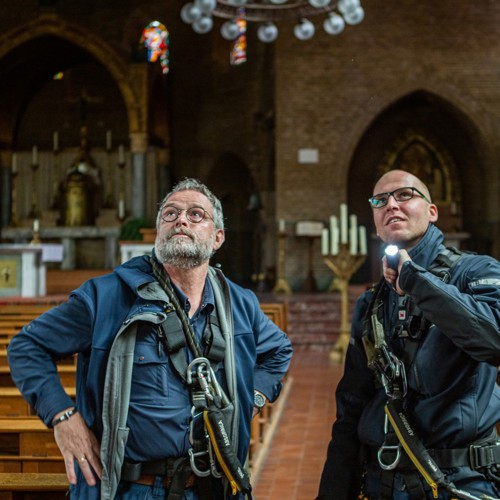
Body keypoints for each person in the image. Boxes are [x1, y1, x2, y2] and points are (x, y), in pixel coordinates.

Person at [8, 178, 293, 500]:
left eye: (196, 214)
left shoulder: (239, 303)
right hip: (131, 488)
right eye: (170, 214)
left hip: (210, 487)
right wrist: (62, 415)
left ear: (218, 238)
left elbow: (279, 351)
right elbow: (27, 346)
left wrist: (249, 400)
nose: (181, 220)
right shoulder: (105, 297)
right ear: (159, 232)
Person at [317, 169, 500, 499]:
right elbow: (351, 406)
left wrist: (416, 280)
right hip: (384, 481)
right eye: (380, 200)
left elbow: (494, 339)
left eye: (405, 195)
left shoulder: (475, 272)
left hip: (458, 481)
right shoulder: (371, 303)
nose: (391, 205)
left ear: (432, 212)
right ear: (375, 221)